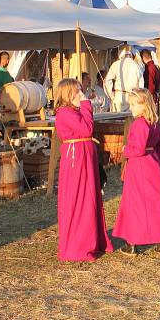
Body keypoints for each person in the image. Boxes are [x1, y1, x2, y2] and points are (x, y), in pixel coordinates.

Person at [53, 78, 113, 261]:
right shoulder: (64, 112)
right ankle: (79, 244)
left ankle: (94, 239)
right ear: (67, 94)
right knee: (80, 197)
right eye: (77, 92)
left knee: (90, 196)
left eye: (81, 91)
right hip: (76, 159)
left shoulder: (73, 111)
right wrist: (87, 104)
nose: (81, 95)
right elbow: (86, 129)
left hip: (84, 157)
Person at [113, 88, 160, 255]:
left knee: (135, 205)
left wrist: (125, 150)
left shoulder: (139, 123)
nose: (130, 108)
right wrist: (157, 161)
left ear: (144, 105)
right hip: (152, 165)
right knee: (156, 204)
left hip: (138, 168)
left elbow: (138, 149)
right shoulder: (154, 123)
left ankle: (132, 243)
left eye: (133, 105)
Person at [103, 45, 143, 112]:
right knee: (130, 120)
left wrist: (111, 95)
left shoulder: (116, 64)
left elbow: (107, 80)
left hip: (119, 96)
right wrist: (137, 96)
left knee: (116, 120)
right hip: (132, 97)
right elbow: (141, 84)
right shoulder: (136, 65)